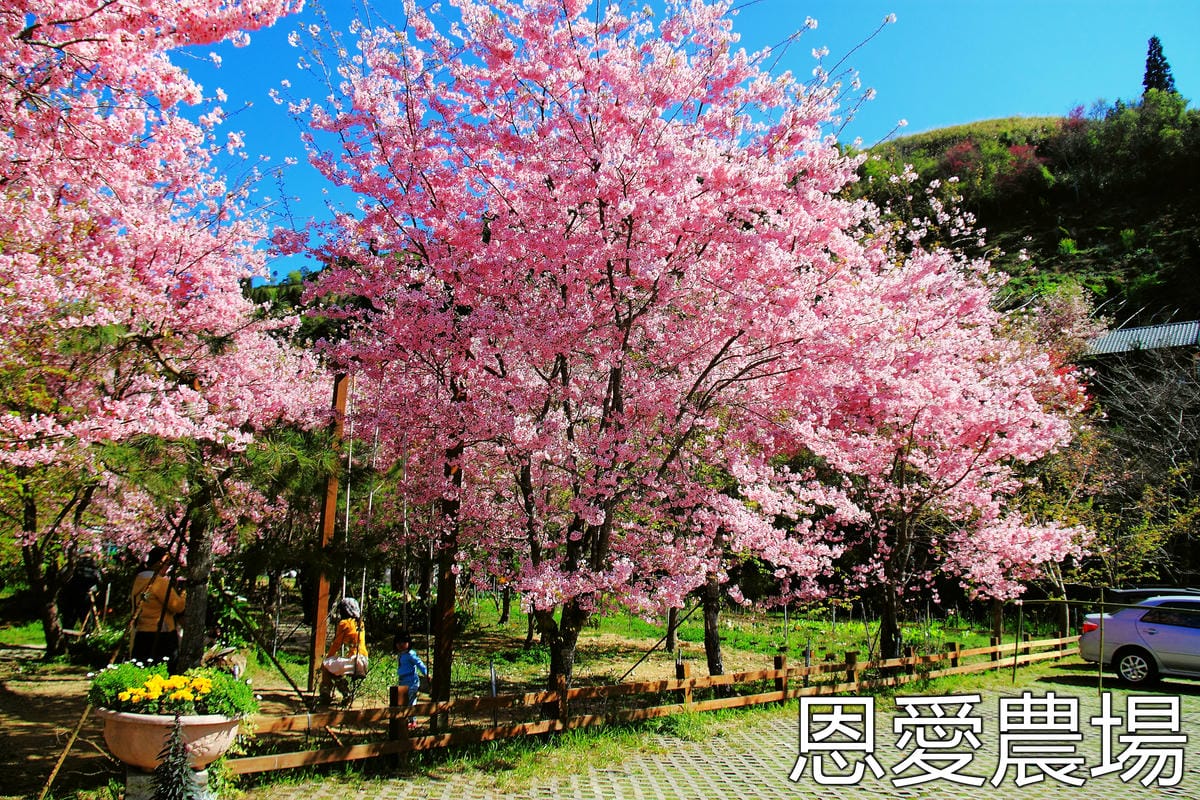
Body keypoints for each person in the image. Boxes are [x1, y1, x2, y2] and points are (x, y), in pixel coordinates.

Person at [129, 546, 186, 667]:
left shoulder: (139, 579)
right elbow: (178, 607)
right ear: (159, 563)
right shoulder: (160, 583)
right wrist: (184, 594)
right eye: (167, 563)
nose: (168, 567)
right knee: (164, 668)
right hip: (161, 632)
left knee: (142, 666)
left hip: (141, 630)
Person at [319, 597, 369, 705]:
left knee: (326, 666)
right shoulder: (360, 623)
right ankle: (346, 693)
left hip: (354, 660)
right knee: (335, 671)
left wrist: (328, 657)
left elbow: (337, 644)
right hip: (363, 660)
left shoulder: (344, 624)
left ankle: (325, 693)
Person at [61, 556, 103, 631]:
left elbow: (62, 578)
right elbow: (99, 581)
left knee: (69, 619)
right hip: (86, 595)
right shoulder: (93, 568)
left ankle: (66, 636)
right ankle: (87, 636)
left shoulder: (73, 567)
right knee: (86, 618)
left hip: (71, 595)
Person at [394, 631, 428, 722]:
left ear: (408, 643)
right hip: (403, 681)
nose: (401, 645)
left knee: (411, 701)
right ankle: (405, 721)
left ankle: (412, 720)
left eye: (403, 642)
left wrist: (426, 673)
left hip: (412, 681)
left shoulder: (410, 654)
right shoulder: (401, 655)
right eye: (398, 642)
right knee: (402, 701)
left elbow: (419, 663)